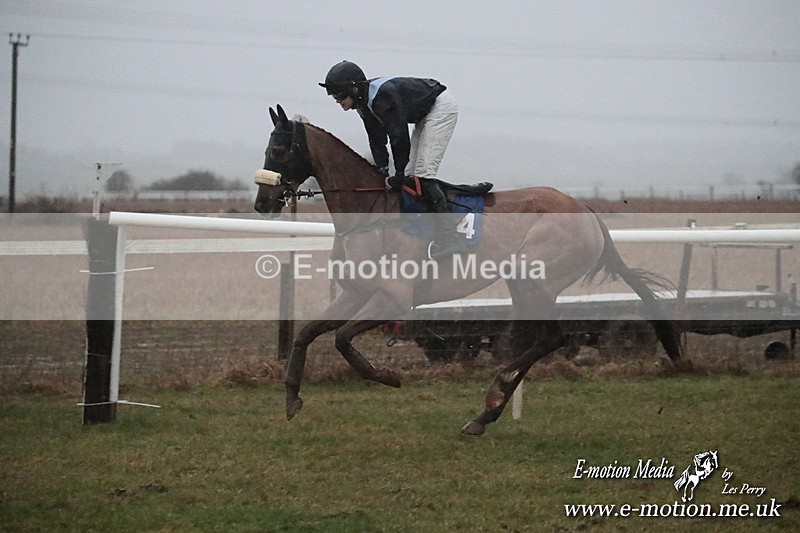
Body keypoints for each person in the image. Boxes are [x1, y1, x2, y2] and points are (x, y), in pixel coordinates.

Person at [319, 60, 463, 258]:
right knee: (414, 177)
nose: (336, 100)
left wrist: (399, 172)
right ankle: (428, 227)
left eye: (339, 95)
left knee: (423, 176)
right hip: (423, 114)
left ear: (353, 88)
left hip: (440, 108)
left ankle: (451, 237)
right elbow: (376, 139)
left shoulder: (381, 97)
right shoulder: (363, 104)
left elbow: (398, 136)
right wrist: (382, 169)